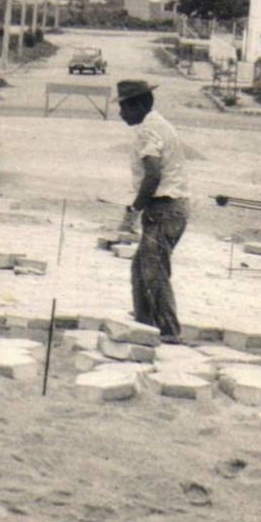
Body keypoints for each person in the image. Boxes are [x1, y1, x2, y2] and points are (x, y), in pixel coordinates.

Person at [115, 79, 190, 342]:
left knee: (153, 270)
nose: (121, 113)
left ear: (137, 105)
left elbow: (153, 174)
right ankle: (144, 323)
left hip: (166, 207)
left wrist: (134, 210)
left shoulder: (148, 130)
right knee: (140, 269)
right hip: (169, 208)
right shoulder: (158, 124)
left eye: (124, 107)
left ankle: (168, 331)